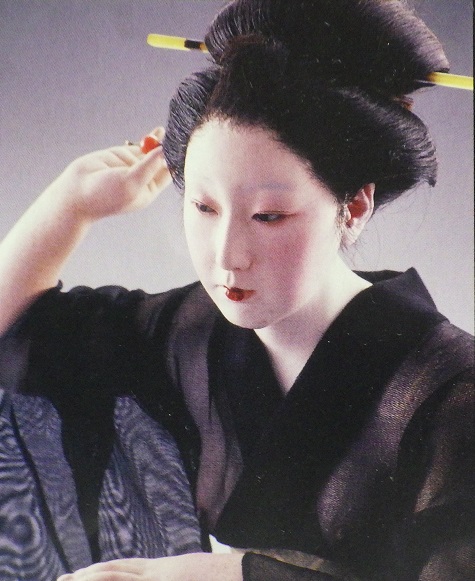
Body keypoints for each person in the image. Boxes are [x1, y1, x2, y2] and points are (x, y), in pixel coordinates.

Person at [0, 0, 473, 580]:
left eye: (268, 216)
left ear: (352, 207)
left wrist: (228, 574)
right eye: (204, 207)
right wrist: (68, 206)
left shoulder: (452, 393)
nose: (227, 255)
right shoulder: (197, 332)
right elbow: (16, 338)